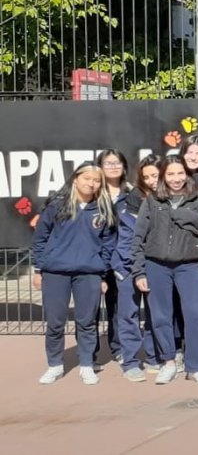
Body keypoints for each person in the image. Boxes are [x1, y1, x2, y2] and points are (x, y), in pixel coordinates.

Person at [131, 156, 198, 385]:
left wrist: (188, 218)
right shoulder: (152, 201)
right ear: (163, 177)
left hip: (189, 265)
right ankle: (168, 362)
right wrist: (139, 271)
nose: (176, 179)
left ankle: (197, 366)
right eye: (170, 174)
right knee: (160, 316)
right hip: (156, 265)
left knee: (196, 315)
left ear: (186, 175)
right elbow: (139, 237)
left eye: (180, 173)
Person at [32, 163, 117, 385]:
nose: (91, 183)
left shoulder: (103, 208)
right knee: (55, 323)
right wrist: (38, 269)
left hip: (89, 274)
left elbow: (108, 243)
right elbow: (40, 238)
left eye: (97, 180)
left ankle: (87, 365)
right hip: (55, 273)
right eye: (87, 178)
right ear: (75, 179)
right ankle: (55, 365)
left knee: (87, 321)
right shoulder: (57, 205)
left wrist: (103, 273)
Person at [114, 155, 162, 381]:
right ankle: (130, 362)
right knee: (128, 315)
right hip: (127, 266)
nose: (152, 180)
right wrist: (130, 268)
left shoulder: (168, 198)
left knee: (155, 314)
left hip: (155, 267)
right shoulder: (133, 200)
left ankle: (153, 357)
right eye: (147, 177)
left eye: (155, 175)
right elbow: (127, 238)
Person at [95, 149, 130, 367]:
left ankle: (118, 348)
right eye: (108, 163)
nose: (113, 167)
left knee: (118, 306)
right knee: (90, 310)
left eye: (117, 162)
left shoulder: (132, 194)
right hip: (97, 259)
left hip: (123, 259)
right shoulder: (93, 193)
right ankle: (90, 355)